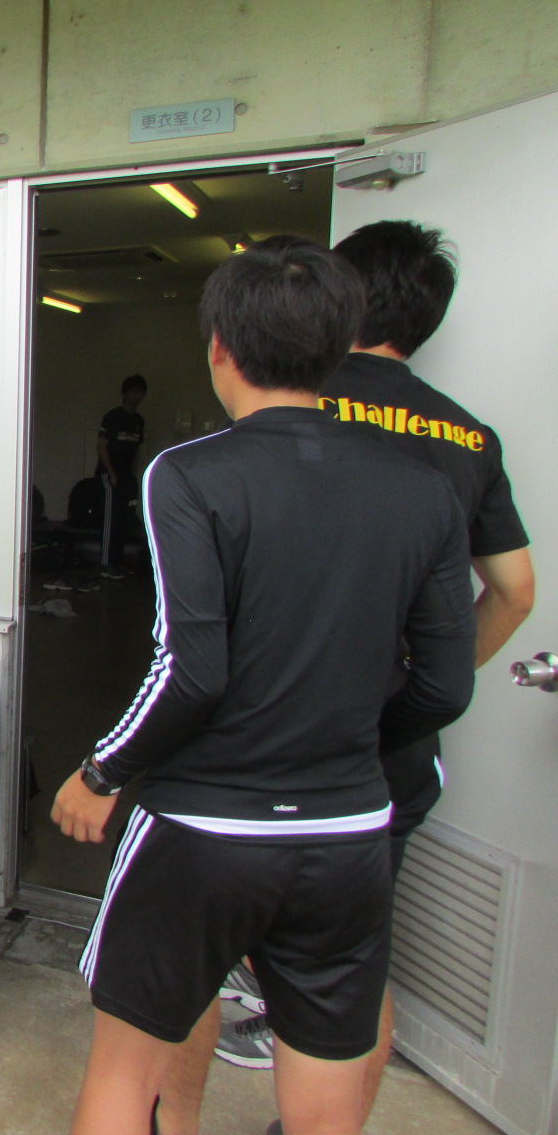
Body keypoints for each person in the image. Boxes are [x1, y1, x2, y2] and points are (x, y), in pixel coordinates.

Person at [51, 237, 476, 1135]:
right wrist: (343, 738)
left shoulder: (190, 474)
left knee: (126, 1073)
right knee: (325, 1101)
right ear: (338, 349)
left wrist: (101, 771)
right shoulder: (423, 488)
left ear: (219, 346)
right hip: (348, 834)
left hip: (203, 830)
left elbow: (189, 671)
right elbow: (444, 687)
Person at [185, 220, 537, 1127]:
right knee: (352, 961)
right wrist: (402, 701)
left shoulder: (281, 401)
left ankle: (217, 1056)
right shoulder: (468, 436)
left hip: (255, 744)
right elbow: (514, 590)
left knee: (193, 945)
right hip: (378, 758)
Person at [96, 374, 147, 578]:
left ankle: (117, 562)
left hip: (127, 476)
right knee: (110, 520)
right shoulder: (112, 417)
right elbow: (101, 447)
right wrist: (112, 474)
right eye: (133, 391)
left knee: (124, 520)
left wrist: (132, 475)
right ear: (125, 393)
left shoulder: (139, 421)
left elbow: (136, 451)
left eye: (140, 392)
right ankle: (106, 564)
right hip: (109, 476)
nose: (136, 396)